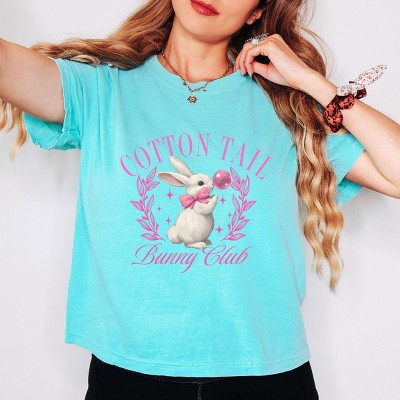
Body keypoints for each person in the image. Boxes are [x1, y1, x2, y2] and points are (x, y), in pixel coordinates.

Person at [0, 0, 399, 399]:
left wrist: (312, 83)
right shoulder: (99, 89)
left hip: (265, 375)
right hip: (128, 375)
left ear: (256, 12)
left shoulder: (286, 105)